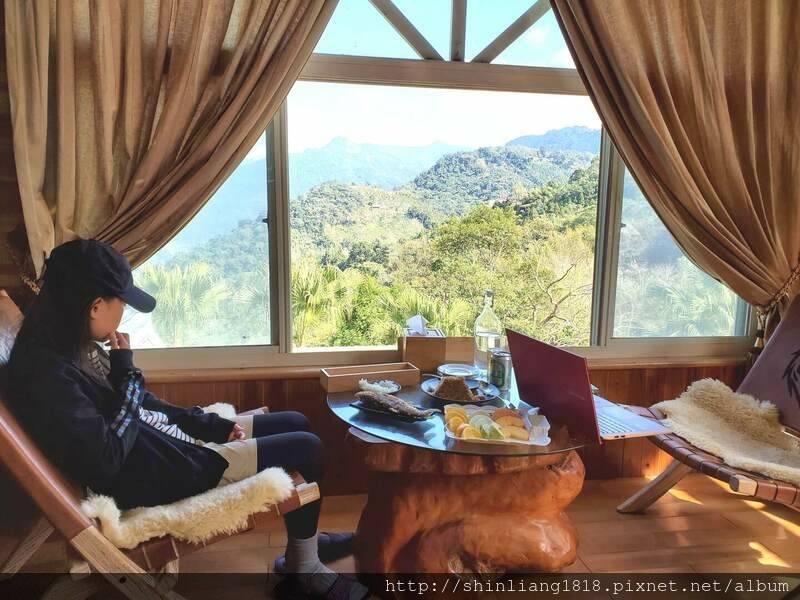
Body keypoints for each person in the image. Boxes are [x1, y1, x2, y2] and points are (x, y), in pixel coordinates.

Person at [6, 239, 367, 600]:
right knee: (308, 448)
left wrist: (201, 423)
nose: (123, 314)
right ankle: (303, 568)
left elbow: (135, 403)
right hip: (165, 470)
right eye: (122, 305)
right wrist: (128, 373)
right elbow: (107, 454)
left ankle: (302, 546)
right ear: (95, 306)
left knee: (296, 420)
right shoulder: (47, 374)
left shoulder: (65, 340)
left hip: (162, 446)